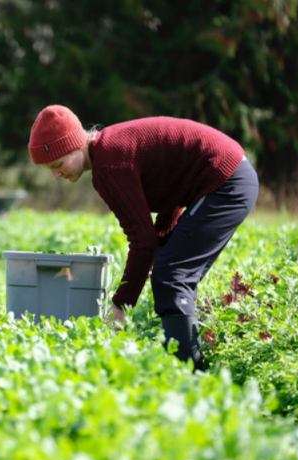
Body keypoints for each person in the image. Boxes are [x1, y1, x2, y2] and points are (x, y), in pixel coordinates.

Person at [28, 105, 259, 371]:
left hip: (225, 182)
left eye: (58, 164)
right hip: (230, 175)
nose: (56, 175)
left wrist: (121, 305)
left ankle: (190, 376)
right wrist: (161, 247)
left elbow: (142, 241)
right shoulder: (111, 149)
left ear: (75, 144)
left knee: (172, 276)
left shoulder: (109, 166)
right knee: (170, 271)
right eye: (50, 169)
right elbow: (171, 192)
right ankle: (191, 365)